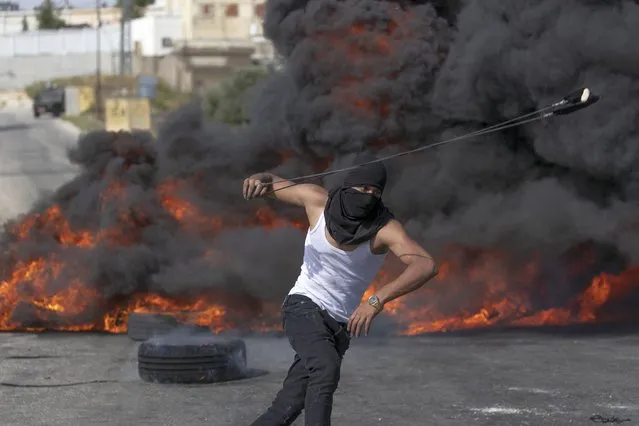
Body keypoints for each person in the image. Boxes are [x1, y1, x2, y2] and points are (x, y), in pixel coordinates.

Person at [243, 161, 438, 426]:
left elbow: (425, 264)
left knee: (287, 406)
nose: (368, 196)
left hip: (338, 326)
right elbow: (272, 183)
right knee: (325, 368)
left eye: (375, 193)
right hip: (303, 305)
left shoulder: (383, 228)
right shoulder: (317, 201)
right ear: (348, 186)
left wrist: (376, 300)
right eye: (363, 188)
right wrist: (259, 177)